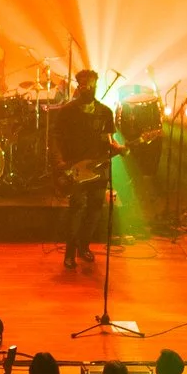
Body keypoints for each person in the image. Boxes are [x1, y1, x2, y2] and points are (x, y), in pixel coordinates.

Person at [49, 69, 126, 270]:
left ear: (95, 85)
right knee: (77, 208)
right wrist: (59, 161)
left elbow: (110, 140)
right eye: (82, 84)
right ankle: (69, 252)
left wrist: (119, 148)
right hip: (76, 166)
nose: (86, 87)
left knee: (95, 209)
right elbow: (56, 137)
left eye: (89, 84)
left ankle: (84, 247)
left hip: (99, 167)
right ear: (78, 85)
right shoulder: (68, 111)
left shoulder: (105, 112)